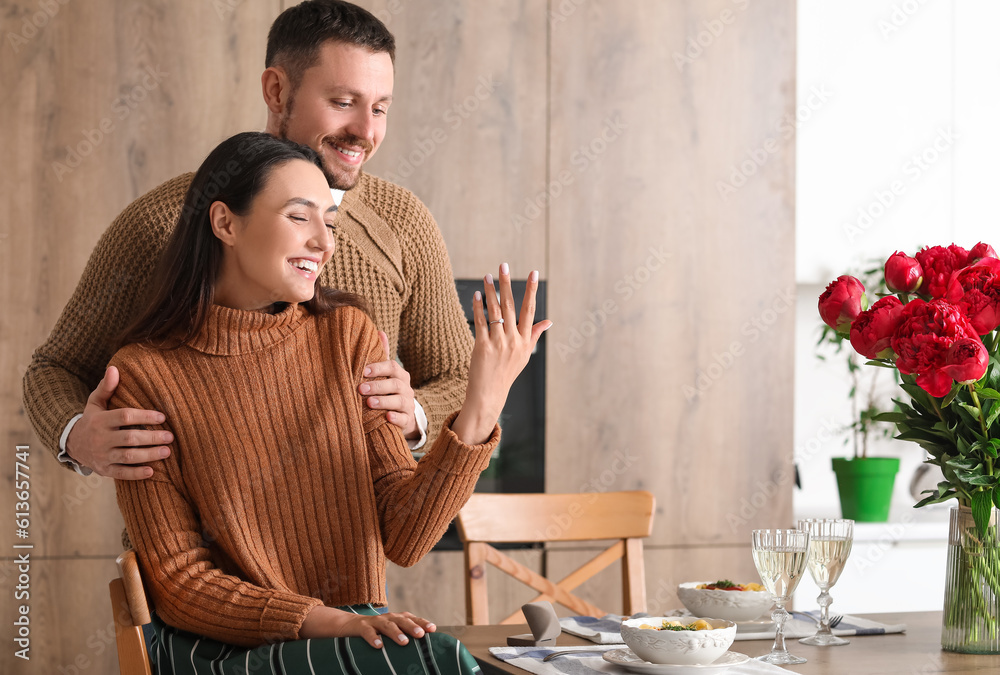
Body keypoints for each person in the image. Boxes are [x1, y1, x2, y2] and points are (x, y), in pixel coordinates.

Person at [110, 130, 549, 672]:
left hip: (351, 634)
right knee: (439, 662)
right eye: (299, 217)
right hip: (223, 651)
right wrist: (329, 621)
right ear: (225, 223)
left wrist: (483, 403)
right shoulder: (142, 374)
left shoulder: (347, 336)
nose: (325, 242)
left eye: (330, 223)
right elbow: (181, 582)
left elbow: (407, 537)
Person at [22, 0, 469, 485]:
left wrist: (417, 415)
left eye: (380, 108)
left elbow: (463, 380)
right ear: (277, 90)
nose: (366, 131)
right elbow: (56, 368)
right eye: (343, 102)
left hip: (348, 550)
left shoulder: (403, 224)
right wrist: (76, 435)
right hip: (180, 552)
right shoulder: (161, 223)